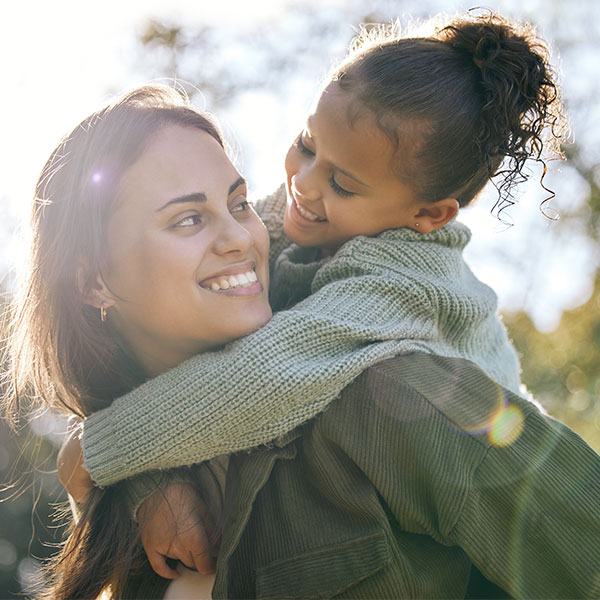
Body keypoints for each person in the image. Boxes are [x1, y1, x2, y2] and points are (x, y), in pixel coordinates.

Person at [59, 10, 599, 599]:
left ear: (429, 214)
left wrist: (104, 448)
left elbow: (268, 373)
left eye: (343, 183)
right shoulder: (305, 223)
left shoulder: (401, 283)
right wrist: (151, 481)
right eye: (306, 145)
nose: (305, 184)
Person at [3, 84, 272, 599]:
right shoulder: (108, 493)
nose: (240, 237)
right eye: (187, 218)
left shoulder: (363, 400)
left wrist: (107, 450)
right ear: (93, 282)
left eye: (239, 203)